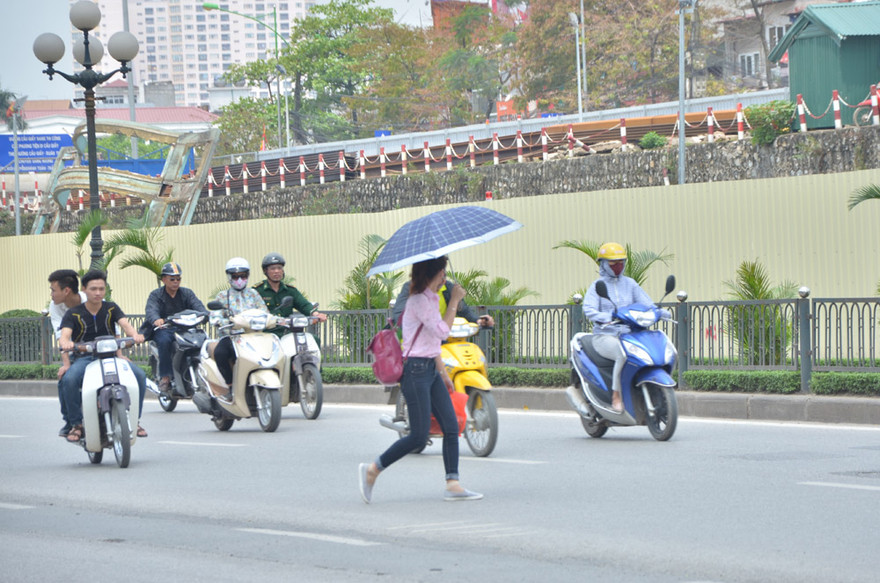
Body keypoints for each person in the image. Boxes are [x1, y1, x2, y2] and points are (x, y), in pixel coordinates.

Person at [359, 256, 483, 504]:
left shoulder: (432, 299)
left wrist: (443, 373)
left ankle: (453, 483)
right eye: (442, 273)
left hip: (430, 369)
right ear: (431, 275)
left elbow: (432, 342)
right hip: (415, 372)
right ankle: (373, 469)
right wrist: (455, 301)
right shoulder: (418, 302)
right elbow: (443, 332)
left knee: (450, 425)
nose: (445, 279)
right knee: (418, 435)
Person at [58, 270, 148, 442]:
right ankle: (76, 424)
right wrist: (66, 342)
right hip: (85, 358)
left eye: (101, 288)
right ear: (84, 289)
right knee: (69, 380)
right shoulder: (73, 313)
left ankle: (135, 420)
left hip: (111, 356)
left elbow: (126, 325)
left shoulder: (111, 308)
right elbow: (64, 335)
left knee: (140, 375)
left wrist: (135, 335)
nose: (98, 293)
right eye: (93, 289)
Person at [578, 242, 664, 413]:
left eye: (620, 262)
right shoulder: (597, 286)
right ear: (603, 264)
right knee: (621, 354)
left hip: (630, 334)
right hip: (605, 336)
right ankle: (616, 396)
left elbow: (646, 303)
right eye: (612, 263)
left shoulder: (630, 284)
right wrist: (607, 317)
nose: (617, 267)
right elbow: (588, 309)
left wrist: (660, 312)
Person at [144, 262, 206, 394]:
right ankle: (165, 377)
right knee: (164, 341)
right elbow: (151, 310)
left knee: (202, 340)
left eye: (178, 279)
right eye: (172, 279)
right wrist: (156, 319)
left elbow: (199, 307)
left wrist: (206, 314)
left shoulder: (187, 293)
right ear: (164, 279)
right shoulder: (156, 295)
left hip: (185, 329)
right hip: (165, 329)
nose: (176, 282)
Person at [208, 257, 269, 387]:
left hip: (253, 336)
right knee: (220, 353)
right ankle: (230, 385)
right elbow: (214, 316)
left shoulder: (254, 294)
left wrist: (271, 319)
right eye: (235, 277)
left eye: (243, 276)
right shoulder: (222, 296)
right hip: (232, 336)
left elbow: (264, 311)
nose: (239, 280)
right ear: (229, 277)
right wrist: (223, 321)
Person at [47, 269, 87, 437]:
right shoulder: (55, 307)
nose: (51, 294)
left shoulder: (90, 300)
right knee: (65, 379)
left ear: (66, 290)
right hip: (74, 351)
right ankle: (71, 422)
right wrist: (66, 364)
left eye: (53, 290)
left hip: (98, 349)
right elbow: (61, 336)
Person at [253, 252, 326, 339]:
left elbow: (304, 304)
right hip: (266, 334)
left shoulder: (290, 291)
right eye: (272, 268)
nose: (276, 271)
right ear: (266, 271)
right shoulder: (257, 291)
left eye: (279, 268)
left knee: (313, 339)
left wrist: (316, 314)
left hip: (288, 332)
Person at [391, 277, 494, 330]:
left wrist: (479, 321)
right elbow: (400, 317)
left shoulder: (448, 287)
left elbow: (463, 310)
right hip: (414, 348)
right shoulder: (410, 288)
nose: (442, 276)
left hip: (441, 342)